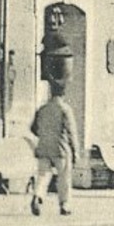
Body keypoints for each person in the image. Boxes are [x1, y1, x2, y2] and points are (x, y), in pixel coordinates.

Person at [29, 79, 79, 216]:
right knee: (64, 178)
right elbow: (71, 132)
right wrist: (76, 151)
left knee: (43, 175)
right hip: (60, 148)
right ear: (63, 94)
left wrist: (44, 134)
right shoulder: (65, 110)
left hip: (44, 147)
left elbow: (33, 128)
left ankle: (37, 196)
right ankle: (64, 205)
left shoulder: (42, 109)